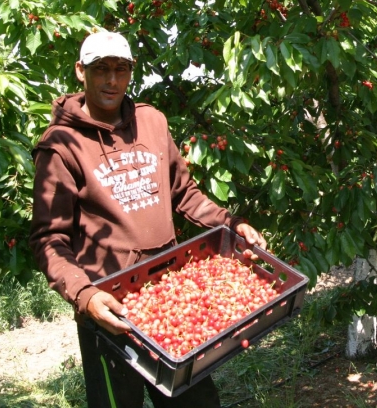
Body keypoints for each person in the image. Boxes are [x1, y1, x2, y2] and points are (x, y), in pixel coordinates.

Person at [29, 30, 266, 408]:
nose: (111, 80)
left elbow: (184, 194)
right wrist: (85, 296)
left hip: (165, 294)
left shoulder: (152, 122)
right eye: (100, 69)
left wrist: (231, 222)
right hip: (110, 312)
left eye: (121, 70)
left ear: (131, 72)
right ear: (80, 71)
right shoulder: (61, 146)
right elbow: (48, 239)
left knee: (195, 401)